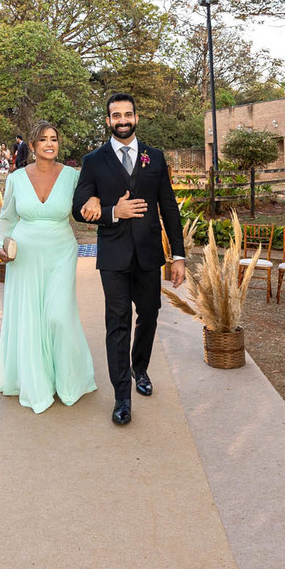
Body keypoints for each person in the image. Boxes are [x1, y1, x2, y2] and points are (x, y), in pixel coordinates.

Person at [73, 93, 186, 426]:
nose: (123, 119)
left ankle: (140, 368)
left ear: (136, 117)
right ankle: (122, 395)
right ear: (108, 120)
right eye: (116, 115)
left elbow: (169, 208)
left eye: (128, 114)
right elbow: (79, 207)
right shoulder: (93, 160)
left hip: (150, 254)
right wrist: (112, 211)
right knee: (117, 322)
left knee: (149, 315)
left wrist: (177, 255)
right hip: (114, 257)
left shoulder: (156, 157)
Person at [0, 122, 96, 413]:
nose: (50, 144)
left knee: (59, 316)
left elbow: (88, 200)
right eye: (43, 139)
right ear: (33, 146)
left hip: (61, 252)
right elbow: (6, 219)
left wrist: (97, 199)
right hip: (23, 256)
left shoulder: (73, 176)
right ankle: (38, 383)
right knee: (30, 319)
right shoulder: (17, 178)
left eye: (54, 139)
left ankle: (70, 380)